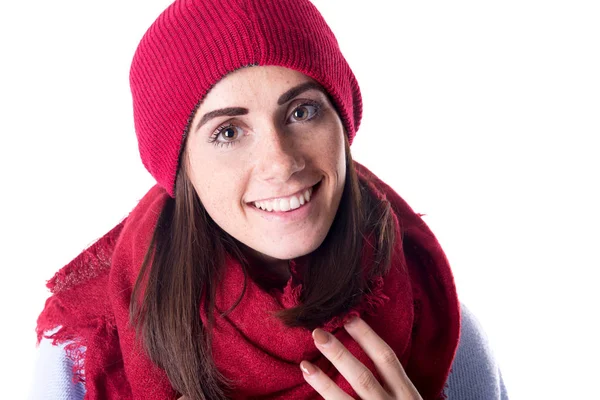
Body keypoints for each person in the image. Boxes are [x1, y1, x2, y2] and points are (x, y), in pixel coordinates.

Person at [33, 0, 509, 399]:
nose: (281, 163)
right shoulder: (88, 352)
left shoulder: (443, 328)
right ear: (180, 169)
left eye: (302, 111)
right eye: (228, 132)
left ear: (342, 124)